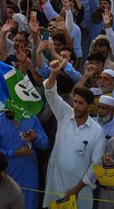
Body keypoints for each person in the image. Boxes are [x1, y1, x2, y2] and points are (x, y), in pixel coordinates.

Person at [42, 58, 105, 209]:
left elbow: (96, 166)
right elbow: (50, 93)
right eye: (75, 101)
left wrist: (76, 190)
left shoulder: (97, 131)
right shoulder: (64, 113)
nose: (76, 106)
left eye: (80, 103)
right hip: (55, 187)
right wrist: (53, 73)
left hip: (79, 194)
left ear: (90, 106)